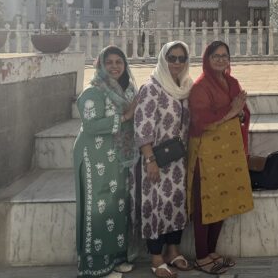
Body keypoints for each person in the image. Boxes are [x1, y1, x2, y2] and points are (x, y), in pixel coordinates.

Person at [187, 40, 253, 275]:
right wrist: (232, 112)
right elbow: (201, 120)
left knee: (223, 201)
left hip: (228, 152)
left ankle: (212, 251)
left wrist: (240, 114)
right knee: (205, 203)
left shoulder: (231, 81)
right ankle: (202, 256)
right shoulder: (201, 87)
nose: (221, 59)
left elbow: (243, 111)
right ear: (207, 58)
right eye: (216, 55)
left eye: (225, 55)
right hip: (206, 153)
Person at [73, 46, 138, 278]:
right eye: (108, 62)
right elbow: (91, 125)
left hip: (119, 155)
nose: (114, 66)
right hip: (95, 156)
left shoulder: (128, 88)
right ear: (100, 65)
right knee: (97, 207)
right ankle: (96, 264)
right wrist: (124, 117)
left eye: (118, 61)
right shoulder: (93, 91)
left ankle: (116, 257)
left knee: (118, 203)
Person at [135, 41, 193, 278]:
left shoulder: (185, 87)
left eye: (181, 58)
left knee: (176, 205)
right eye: (172, 57)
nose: (177, 63)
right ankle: (156, 257)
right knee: (155, 207)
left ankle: (173, 250)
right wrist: (150, 160)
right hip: (156, 158)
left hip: (178, 161)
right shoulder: (152, 88)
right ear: (163, 58)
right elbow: (143, 125)